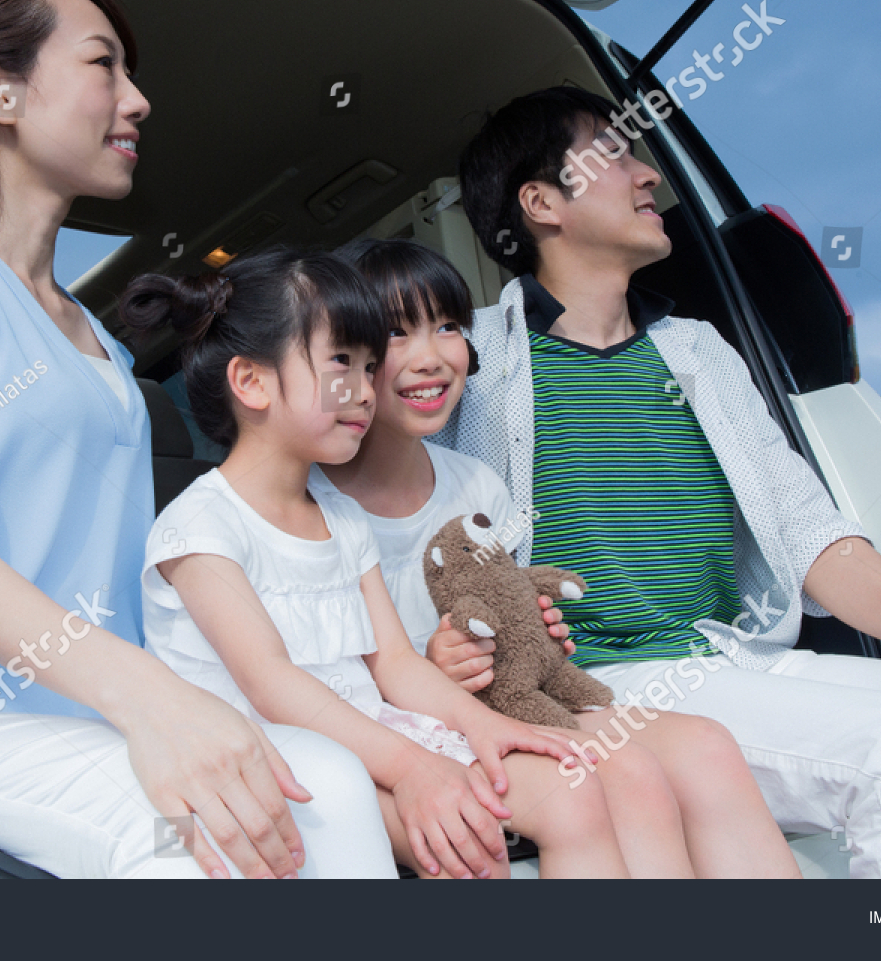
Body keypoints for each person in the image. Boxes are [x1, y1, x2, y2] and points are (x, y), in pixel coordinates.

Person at [0, 0, 396, 880]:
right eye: (103, 65)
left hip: (88, 711)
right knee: (199, 846)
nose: (138, 98)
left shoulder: (97, 343)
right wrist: (153, 701)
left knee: (333, 785)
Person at [436, 85, 881, 877]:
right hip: (615, 685)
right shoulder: (472, 361)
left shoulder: (698, 352)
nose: (650, 178)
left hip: (735, 657)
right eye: (618, 153)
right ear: (540, 202)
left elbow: (809, 530)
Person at [123, 246, 656, 879]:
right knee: (473, 838)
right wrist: (413, 769)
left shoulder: (336, 511)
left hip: (371, 735)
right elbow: (271, 685)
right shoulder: (200, 528)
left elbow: (395, 660)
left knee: (578, 790)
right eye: (342, 362)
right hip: (284, 757)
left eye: (370, 364)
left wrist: (479, 726)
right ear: (252, 383)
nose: (366, 388)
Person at [312, 237, 800, 877]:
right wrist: (439, 661)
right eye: (396, 335)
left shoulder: (476, 485)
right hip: (404, 726)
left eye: (449, 326)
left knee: (705, 746)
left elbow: (502, 606)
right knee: (616, 775)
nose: (430, 358)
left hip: (501, 704)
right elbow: (329, 673)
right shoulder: (316, 502)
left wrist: (533, 632)